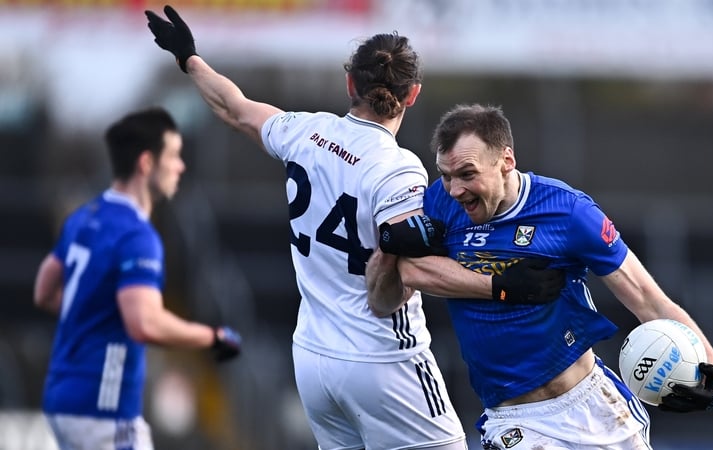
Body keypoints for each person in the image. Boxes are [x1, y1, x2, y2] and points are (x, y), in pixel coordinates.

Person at [144, 7, 566, 450]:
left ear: (351, 84)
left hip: (312, 358)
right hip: (382, 358)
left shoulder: (304, 131)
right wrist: (501, 284)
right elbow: (409, 272)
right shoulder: (397, 167)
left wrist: (189, 58)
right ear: (413, 94)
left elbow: (234, 108)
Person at [378, 103, 713, 449]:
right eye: (445, 175)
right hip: (515, 420)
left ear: (506, 161)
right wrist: (499, 287)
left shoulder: (567, 212)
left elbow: (647, 297)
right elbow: (409, 269)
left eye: (467, 174)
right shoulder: (440, 203)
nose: (455, 189)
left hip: (595, 406)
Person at [33, 107, 242, 450]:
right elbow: (144, 324)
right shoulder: (137, 235)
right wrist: (212, 337)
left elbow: (44, 291)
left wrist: (94, 314)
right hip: (104, 410)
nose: (180, 166)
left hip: (62, 399)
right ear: (146, 163)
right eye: (173, 156)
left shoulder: (84, 217)